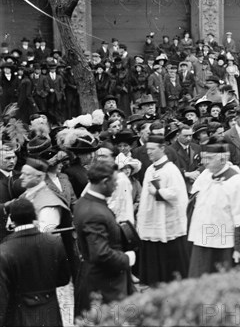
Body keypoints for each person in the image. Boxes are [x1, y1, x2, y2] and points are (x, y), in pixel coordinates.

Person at [188, 144, 240, 276]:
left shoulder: (237, 181)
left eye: (210, 158)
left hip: (225, 246)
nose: (205, 162)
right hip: (204, 241)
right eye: (204, 158)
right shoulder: (207, 179)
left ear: (223, 160)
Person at [73, 162, 135, 316]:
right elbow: (101, 253)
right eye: (114, 182)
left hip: (97, 278)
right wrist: (127, 258)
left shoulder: (84, 203)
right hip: (104, 284)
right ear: (104, 182)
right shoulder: (95, 212)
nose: (116, 186)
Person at [0, 199, 70, 326]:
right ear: (35, 215)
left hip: (20, 315)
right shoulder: (54, 243)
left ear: (12, 219)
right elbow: (64, 279)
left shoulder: (5, 250)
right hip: (50, 314)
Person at [137, 135, 189, 285]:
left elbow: (177, 194)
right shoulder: (149, 169)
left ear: (162, 148)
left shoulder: (171, 170)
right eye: (147, 149)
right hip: (152, 216)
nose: (149, 152)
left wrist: (158, 193)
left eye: (152, 149)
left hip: (167, 218)